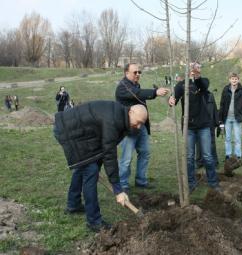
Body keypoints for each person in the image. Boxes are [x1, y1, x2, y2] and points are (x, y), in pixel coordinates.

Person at [53, 101, 148, 232]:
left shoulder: (122, 117)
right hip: (69, 130)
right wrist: (118, 189)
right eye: (137, 122)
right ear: (130, 112)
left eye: (141, 124)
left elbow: (106, 148)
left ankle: (73, 205)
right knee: (90, 171)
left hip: (81, 132)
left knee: (85, 167)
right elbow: (109, 153)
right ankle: (94, 221)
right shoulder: (114, 120)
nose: (138, 126)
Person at [115, 63, 169, 194]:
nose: (138, 74)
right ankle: (122, 185)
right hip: (128, 129)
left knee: (144, 153)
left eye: (139, 72)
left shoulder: (135, 85)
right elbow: (137, 94)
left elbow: (139, 92)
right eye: (135, 72)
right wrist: (155, 92)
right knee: (126, 159)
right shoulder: (122, 87)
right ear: (126, 73)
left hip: (142, 127)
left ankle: (141, 181)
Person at [169, 62, 220, 193]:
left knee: (208, 156)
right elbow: (174, 98)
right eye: (193, 68)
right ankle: (191, 184)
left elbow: (203, 87)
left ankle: (213, 183)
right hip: (188, 128)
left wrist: (196, 78)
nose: (196, 70)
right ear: (187, 70)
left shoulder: (203, 82)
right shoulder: (182, 85)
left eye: (198, 68)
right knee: (189, 157)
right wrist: (171, 99)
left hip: (203, 126)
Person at [219, 72, 242, 160]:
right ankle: (228, 154)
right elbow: (222, 104)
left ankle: (238, 155)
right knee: (227, 138)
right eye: (232, 79)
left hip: (237, 118)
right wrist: (221, 118)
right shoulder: (225, 89)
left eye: (235, 79)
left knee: (237, 138)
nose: (234, 80)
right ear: (229, 80)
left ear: (238, 80)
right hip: (227, 118)